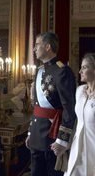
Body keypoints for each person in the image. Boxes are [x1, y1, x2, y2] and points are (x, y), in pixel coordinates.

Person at [25, 32, 77, 176]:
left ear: (48, 47)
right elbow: (37, 106)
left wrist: (62, 140)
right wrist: (30, 131)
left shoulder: (62, 71)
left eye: (37, 45)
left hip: (52, 136)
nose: (34, 49)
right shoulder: (39, 70)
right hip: (36, 135)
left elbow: (69, 109)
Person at [64, 53, 95, 176]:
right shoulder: (80, 91)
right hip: (77, 148)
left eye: (85, 67)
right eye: (81, 67)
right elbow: (72, 118)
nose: (80, 71)